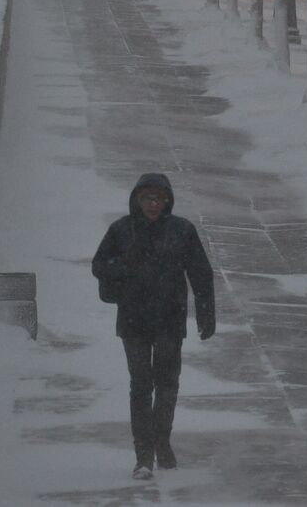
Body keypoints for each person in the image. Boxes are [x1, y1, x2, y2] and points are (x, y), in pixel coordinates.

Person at [92, 172, 216, 480]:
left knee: (167, 385)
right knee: (140, 386)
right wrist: (123, 267)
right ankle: (143, 455)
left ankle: (162, 442)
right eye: (147, 198)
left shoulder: (182, 231)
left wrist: (206, 314)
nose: (152, 204)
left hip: (169, 321)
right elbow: (99, 264)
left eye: (158, 198)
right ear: (137, 199)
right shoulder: (121, 230)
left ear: (167, 201)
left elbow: (201, 273)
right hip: (133, 321)